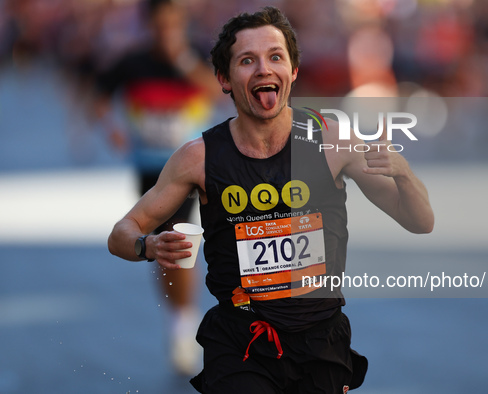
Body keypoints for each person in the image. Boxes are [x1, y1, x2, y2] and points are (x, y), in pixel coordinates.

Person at [108, 6, 434, 393]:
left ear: (293, 72)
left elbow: (420, 221)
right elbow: (121, 234)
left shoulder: (333, 140)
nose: (264, 68)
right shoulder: (198, 157)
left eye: (275, 57)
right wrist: (148, 245)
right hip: (240, 342)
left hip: (320, 341)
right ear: (224, 79)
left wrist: (403, 173)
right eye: (247, 60)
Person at [95, 0, 220, 375]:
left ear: (182, 25)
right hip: (150, 167)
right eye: (160, 27)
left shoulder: (197, 56)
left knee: (181, 237)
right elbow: (99, 94)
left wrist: (181, 59)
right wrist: (111, 127)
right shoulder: (133, 62)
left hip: (190, 166)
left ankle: (185, 326)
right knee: (163, 242)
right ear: (149, 26)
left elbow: (216, 92)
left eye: (173, 26)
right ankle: (180, 319)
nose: (167, 34)